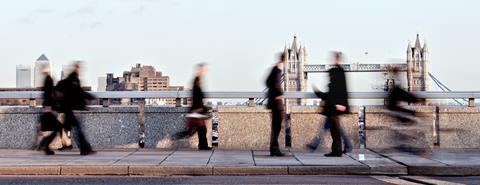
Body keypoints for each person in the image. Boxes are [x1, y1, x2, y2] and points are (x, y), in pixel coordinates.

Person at [308, 52, 350, 157]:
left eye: (329, 76)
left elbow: (342, 90)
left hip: (334, 107)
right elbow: (331, 94)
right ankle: (337, 150)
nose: (329, 77)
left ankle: (338, 150)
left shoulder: (339, 73)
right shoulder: (337, 74)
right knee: (334, 130)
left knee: (335, 130)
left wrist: (340, 103)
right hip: (333, 106)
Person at [54, 61, 96, 155]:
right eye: (79, 67)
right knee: (78, 129)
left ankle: (85, 149)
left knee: (77, 130)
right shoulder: (73, 79)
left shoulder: (72, 79)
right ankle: (85, 149)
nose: (80, 69)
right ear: (76, 68)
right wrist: (90, 97)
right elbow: (78, 93)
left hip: (70, 109)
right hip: (72, 109)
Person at [173, 63, 211, 150]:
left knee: (199, 129)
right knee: (198, 129)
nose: (204, 71)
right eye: (202, 70)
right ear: (199, 70)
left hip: (196, 109)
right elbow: (196, 95)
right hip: (196, 109)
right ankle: (176, 137)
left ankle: (202, 145)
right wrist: (199, 107)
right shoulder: (196, 80)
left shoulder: (197, 80)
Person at [38, 64, 62, 155]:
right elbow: (49, 95)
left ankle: (44, 144)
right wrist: (51, 108)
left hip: (47, 108)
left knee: (55, 127)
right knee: (57, 127)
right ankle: (45, 144)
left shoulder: (46, 79)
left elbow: (46, 94)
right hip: (49, 108)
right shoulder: (49, 79)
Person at [266, 53, 285, 157]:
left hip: (274, 103)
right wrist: (278, 93)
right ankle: (274, 150)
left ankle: (274, 149)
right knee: (276, 128)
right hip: (276, 104)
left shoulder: (274, 69)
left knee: (275, 127)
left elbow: (267, 82)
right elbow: (274, 84)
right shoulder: (277, 70)